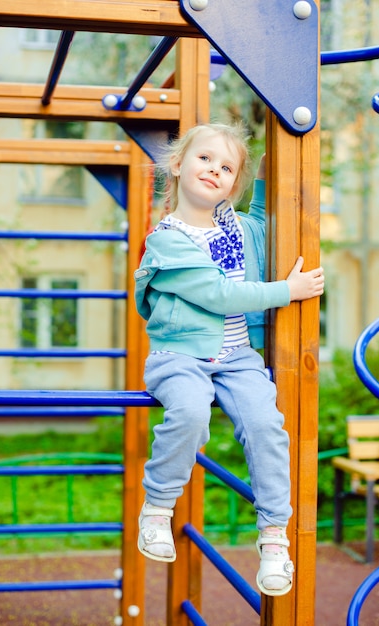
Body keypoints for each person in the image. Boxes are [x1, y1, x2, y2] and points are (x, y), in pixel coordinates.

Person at [134, 122, 324, 596]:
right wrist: (288, 291)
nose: (214, 170)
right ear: (178, 165)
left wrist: (274, 153)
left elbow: (265, 211)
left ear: (233, 184)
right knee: (192, 412)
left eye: (227, 167)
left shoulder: (237, 230)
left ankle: (275, 537)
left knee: (267, 425)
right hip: (179, 356)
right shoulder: (167, 238)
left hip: (237, 358)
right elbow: (219, 294)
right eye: (204, 159)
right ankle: (157, 509)